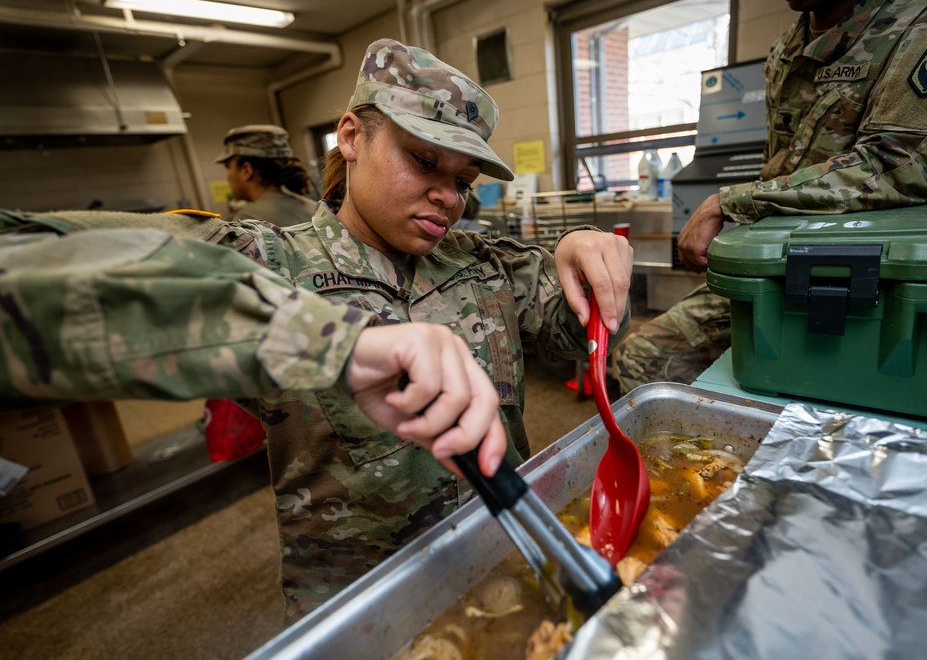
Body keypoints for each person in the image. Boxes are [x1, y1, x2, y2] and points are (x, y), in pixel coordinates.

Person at [0, 37, 633, 623]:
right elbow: (28, 264)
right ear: (352, 136)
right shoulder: (266, 261)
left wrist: (580, 251)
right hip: (361, 598)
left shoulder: (485, 263)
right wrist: (330, 340)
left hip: (506, 558)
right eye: (423, 161)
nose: (447, 196)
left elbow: (576, 339)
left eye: (462, 182)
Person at [612, 0, 927, 392]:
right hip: (776, 264)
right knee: (643, 357)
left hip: (865, 273)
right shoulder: (792, 43)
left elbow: (902, 165)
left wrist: (731, 202)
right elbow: (780, 164)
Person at [216, 124, 316, 226]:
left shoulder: (248, 220)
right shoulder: (316, 209)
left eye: (228, 167)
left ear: (246, 170)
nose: (227, 178)